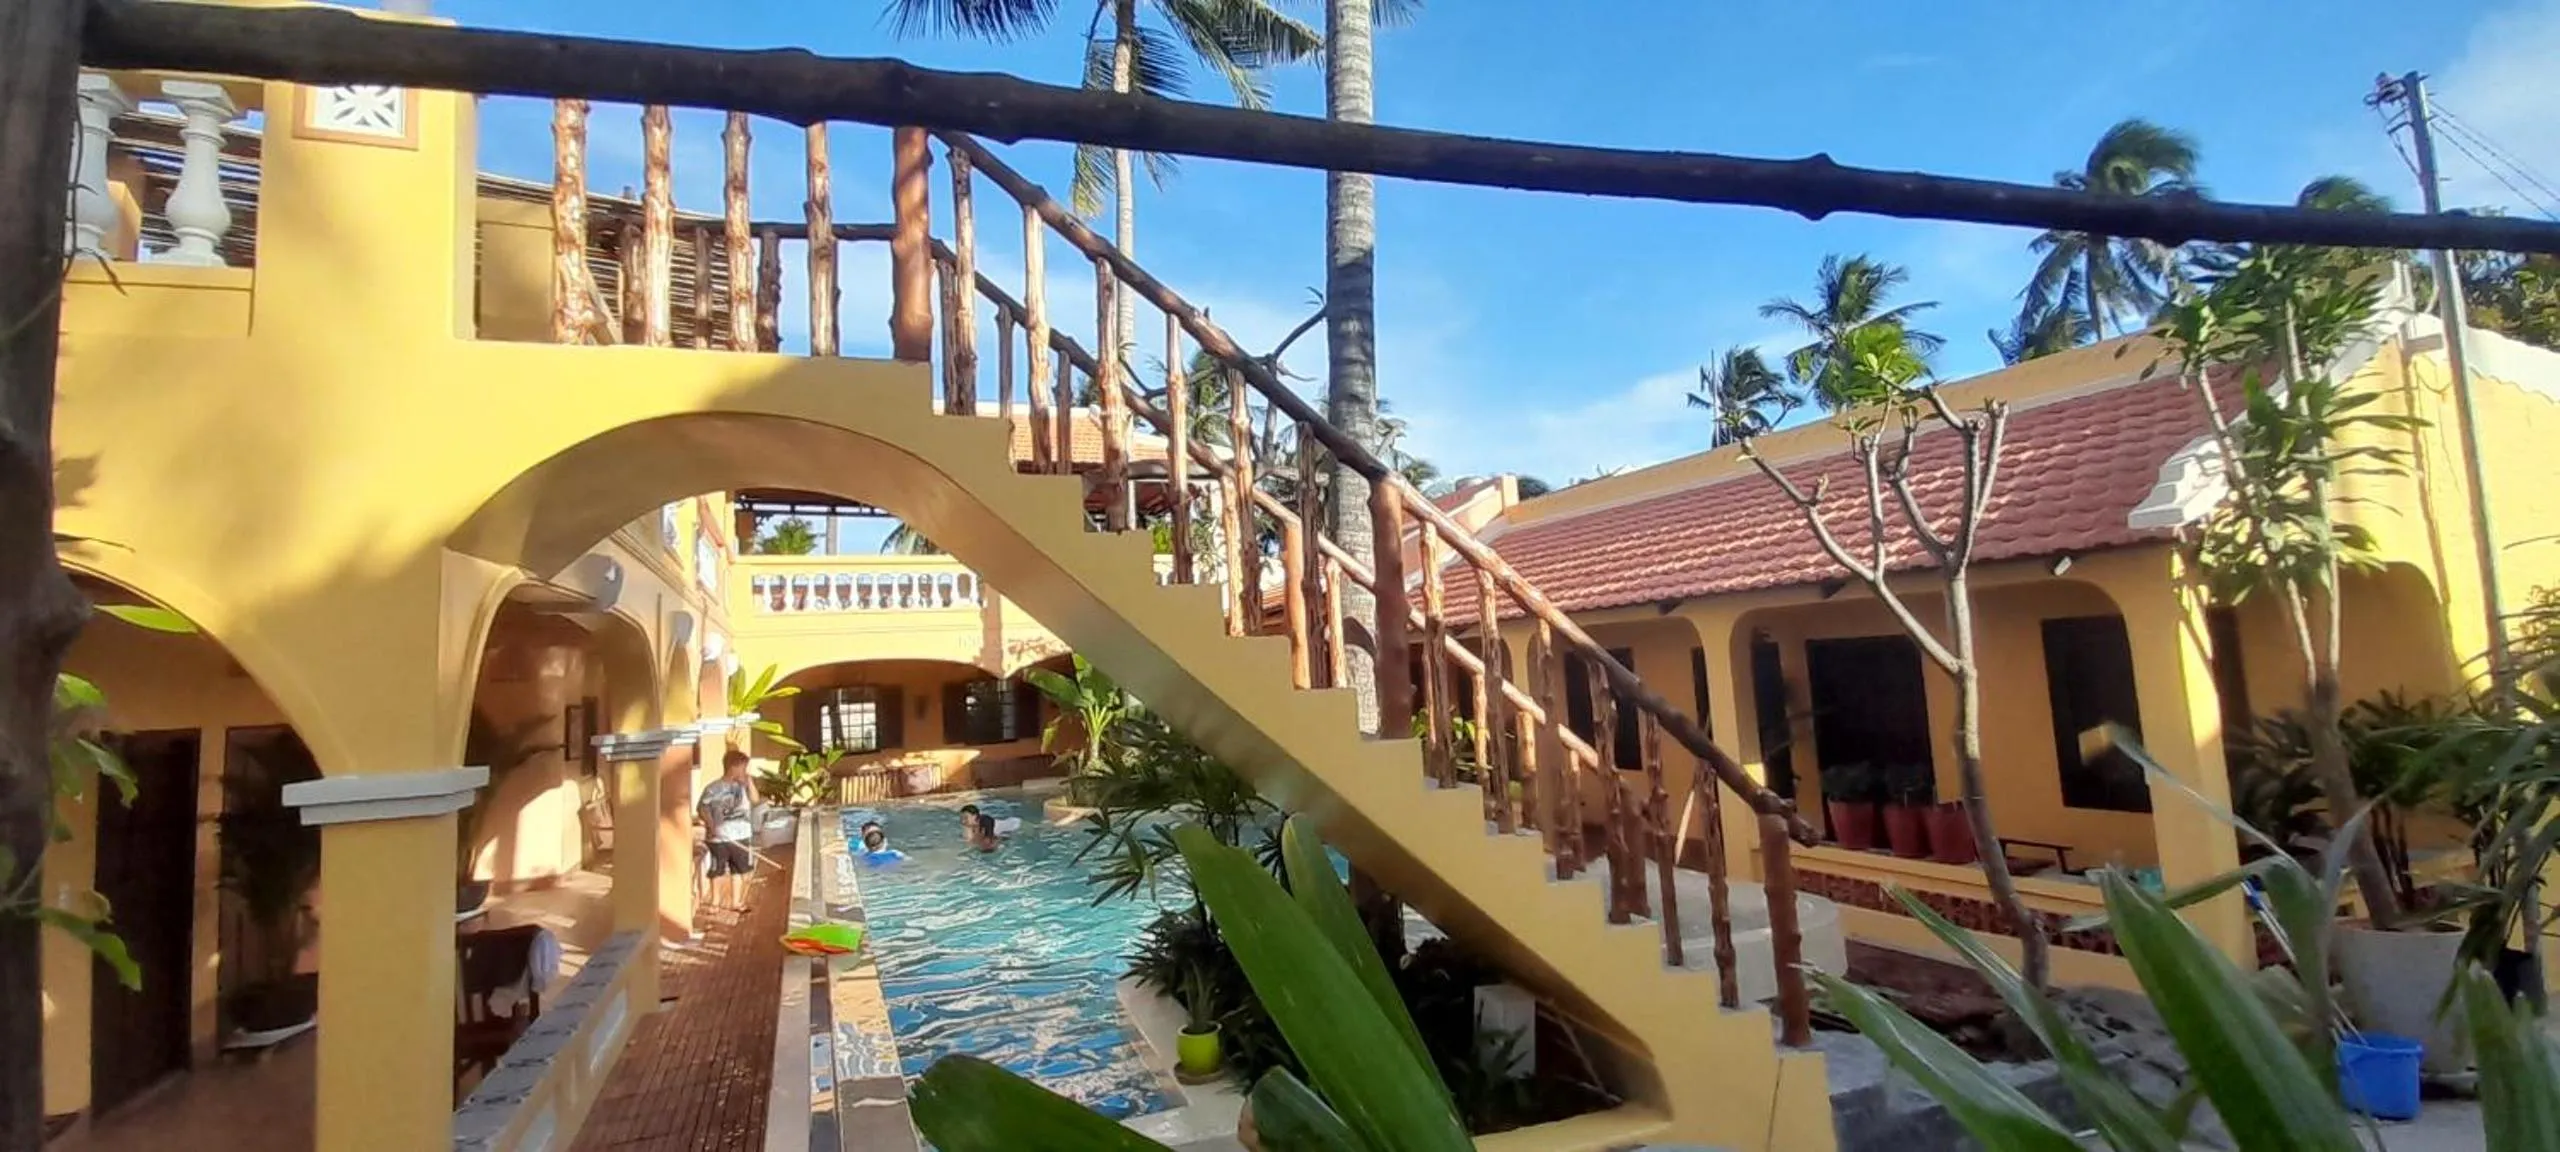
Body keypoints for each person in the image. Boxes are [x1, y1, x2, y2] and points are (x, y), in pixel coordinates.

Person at [695, 749, 756, 912]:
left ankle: (736, 902)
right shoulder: (713, 788)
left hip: (741, 834)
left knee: (739, 870)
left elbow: (755, 800)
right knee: (717, 870)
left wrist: (749, 782)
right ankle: (715, 903)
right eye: (743, 767)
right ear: (733, 767)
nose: (745, 770)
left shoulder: (743, 786)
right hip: (719, 838)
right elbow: (702, 808)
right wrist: (711, 825)